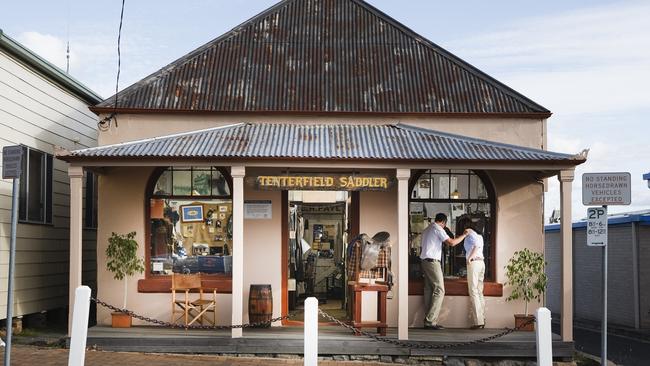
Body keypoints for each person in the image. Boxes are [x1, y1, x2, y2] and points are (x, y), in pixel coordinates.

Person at [420, 213, 469, 330]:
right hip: (432, 262)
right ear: (444, 222)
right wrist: (464, 235)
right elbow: (452, 243)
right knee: (440, 290)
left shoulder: (427, 229)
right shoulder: (438, 228)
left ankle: (428, 318)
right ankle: (430, 321)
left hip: (424, 261)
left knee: (428, 289)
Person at [463, 224, 485, 329]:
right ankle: (482, 319)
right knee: (479, 291)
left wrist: (470, 258)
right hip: (481, 263)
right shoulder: (480, 236)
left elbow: (476, 245)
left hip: (475, 263)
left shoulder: (470, 232)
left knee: (473, 291)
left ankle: (478, 322)